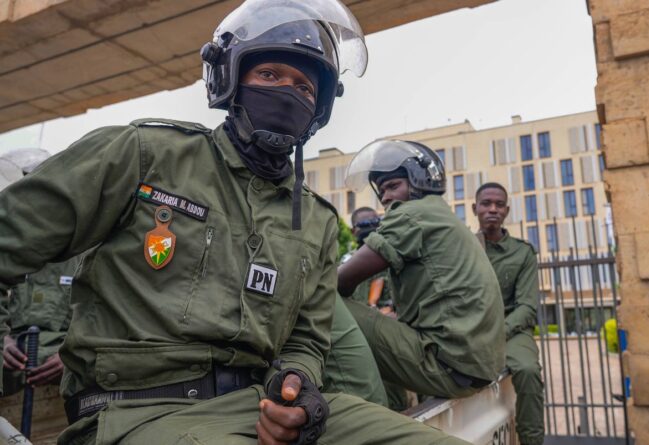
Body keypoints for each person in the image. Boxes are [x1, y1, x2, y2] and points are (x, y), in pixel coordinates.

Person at [0, 1, 469, 443]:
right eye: (269, 74)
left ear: (319, 108)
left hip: (255, 406)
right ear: (229, 78)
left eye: (304, 87)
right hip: (136, 410)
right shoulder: (143, 155)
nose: (288, 92)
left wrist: (296, 383)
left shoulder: (316, 221)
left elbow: (306, 338)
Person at [338, 139, 506, 408]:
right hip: (473, 368)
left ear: (419, 183)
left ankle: (362, 417)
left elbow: (340, 281)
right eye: (382, 191)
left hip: (448, 367)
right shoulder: (439, 214)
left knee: (324, 302)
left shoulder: (411, 215)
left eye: (393, 186)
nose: (385, 197)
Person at [472, 182, 545, 445]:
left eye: (499, 204)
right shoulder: (464, 247)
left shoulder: (522, 252)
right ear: (475, 209)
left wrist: (498, 332)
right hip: (471, 329)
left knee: (527, 369)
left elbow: (527, 306)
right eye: (486, 204)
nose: (493, 209)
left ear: (507, 210)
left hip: (512, 330)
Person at [2, 256, 82, 395]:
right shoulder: (10, 253)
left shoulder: (86, 257)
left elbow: (102, 320)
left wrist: (74, 355)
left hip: (65, 348)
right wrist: (2, 339)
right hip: (14, 348)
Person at [346, 207, 393, 311]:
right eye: (364, 224)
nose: (371, 227)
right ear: (353, 231)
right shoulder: (347, 262)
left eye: (375, 222)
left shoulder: (391, 257)